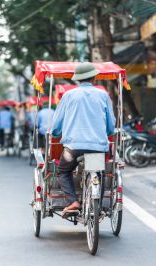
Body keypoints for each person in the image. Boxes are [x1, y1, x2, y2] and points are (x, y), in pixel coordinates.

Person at [51, 62, 116, 213]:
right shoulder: (103, 95)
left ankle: (73, 202)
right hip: (97, 146)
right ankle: (97, 206)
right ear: (94, 78)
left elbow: (56, 126)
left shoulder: (68, 96)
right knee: (98, 173)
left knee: (63, 172)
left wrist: (55, 133)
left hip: (73, 148)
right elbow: (111, 127)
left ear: (78, 80)